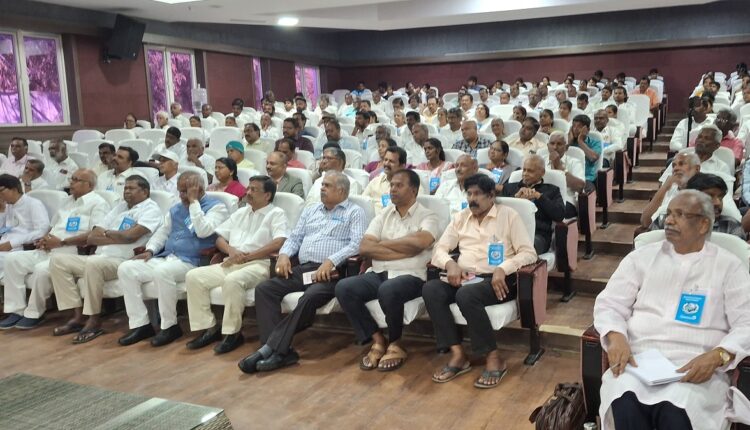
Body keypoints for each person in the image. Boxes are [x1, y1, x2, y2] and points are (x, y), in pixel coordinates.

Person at [593, 190, 750, 430]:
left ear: (703, 224)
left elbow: (746, 323)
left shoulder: (729, 266)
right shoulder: (641, 258)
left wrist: (719, 355)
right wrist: (615, 336)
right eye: (668, 214)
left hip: (696, 367)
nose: (668, 220)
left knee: (676, 412)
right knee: (625, 402)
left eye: (679, 214)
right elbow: (610, 303)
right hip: (638, 362)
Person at [238, 172, 366, 373]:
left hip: (332, 273)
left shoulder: (354, 212)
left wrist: (331, 261)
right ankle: (280, 351)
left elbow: (357, 244)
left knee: (310, 296)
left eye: (327, 185)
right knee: (265, 289)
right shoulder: (311, 209)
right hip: (304, 268)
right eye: (322, 185)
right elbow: (294, 238)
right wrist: (284, 255)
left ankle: (269, 350)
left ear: (341, 190)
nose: (322, 188)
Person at [424, 174, 537, 389]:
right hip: (465, 277)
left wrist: (503, 268)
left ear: (491, 196)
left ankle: (494, 357)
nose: (472, 199)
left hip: (498, 281)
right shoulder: (460, 218)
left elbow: (529, 253)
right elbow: (439, 249)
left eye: (477, 194)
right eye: (469, 194)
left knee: (466, 294)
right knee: (431, 289)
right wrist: (450, 264)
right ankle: (458, 354)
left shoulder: (509, 216)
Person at [336, 169, 439, 371]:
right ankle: (377, 339)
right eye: (391, 185)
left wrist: (383, 245)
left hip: (411, 276)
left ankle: (395, 343)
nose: (392, 189)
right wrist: (405, 248)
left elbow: (421, 242)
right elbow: (365, 247)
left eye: (399, 185)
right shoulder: (384, 214)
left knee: (388, 290)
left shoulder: (428, 216)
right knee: (344, 288)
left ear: (414, 190)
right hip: (379, 273)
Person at [116, 172, 230, 346]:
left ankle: (169, 326)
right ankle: (141, 324)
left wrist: (194, 203)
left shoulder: (217, 208)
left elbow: (203, 231)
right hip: (168, 257)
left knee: (162, 272)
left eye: (186, 191)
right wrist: (150, 250)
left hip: (193, 261)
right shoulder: (175, 209)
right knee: (126, 268)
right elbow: (163, 232)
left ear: (199, 189)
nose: (182, 196)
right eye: (180, 191)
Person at [49, 175, 163, 343]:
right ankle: (77, 316)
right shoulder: (120, 207)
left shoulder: (150, 209)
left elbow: (131, 236)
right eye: (125, 188)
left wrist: (108, 234)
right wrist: (117, 236)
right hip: (100, 257)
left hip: (123, 261)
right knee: (58, 261)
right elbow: (92, 237)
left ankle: (94, 320)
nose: (126, 191)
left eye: (131, 188)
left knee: (94, 263)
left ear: (145, 191)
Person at [0, 169, 108, 330]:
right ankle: (16, 310)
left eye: (77, 180)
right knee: (11, 259)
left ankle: (34, 313)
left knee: (41, 270)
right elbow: (52, 227)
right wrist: (44, 239)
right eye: (71, 179)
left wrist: (62, 242)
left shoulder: (98, 203)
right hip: (49, 248)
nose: (71, 183)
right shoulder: (66, 201)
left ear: (90, 185)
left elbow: (96, 234)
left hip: (70, 252)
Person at [649, 173, 745, 239]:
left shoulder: (731, 226)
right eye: (709, 196)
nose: (718, 203)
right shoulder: (664, 222)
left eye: (720, 197)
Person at [502, 155, 565, 253]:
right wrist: (516, 200)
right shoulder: (509, 188)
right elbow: (499, 212)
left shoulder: (552, 190)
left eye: (530, 171)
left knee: (525, 247)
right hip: (510, 232)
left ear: (542, 172)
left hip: (538, 235)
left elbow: (559, 215)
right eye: (524, 170)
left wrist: (538, 196)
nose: (525, 174)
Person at [0, 174, 49, 275]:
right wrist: (2, 210)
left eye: (1, 191)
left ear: (14, 189)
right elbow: (3, 229)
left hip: (20, 249)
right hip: (4, 246)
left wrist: (12, 243)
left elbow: (42, 231)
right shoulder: (8, 206)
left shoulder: (33, 204)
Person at [543, 132, 585, 218]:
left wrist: (559, 167)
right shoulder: (541, 162)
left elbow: (580, 187)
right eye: (552, 143)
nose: (555, 147)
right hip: (543, 198)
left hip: (566, 200)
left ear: (566, 147)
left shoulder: (574, 162)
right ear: (547, 146)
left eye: (559, 144)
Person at [362, 146, 412, 216]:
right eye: (385, 160)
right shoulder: (376, 181)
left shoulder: (411, 185)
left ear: (402, 166)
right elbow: (362, 201)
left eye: (391, 161)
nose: (386, 164)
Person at [568, 115, 603, 186]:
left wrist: (580, 141)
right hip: (568, 177)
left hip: (586, 179)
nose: (575, 129)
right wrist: (569, 143)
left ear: (588, 129)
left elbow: (593, 158)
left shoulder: (595, 142)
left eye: (579, 127)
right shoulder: (566, 142)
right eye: (574, 126)